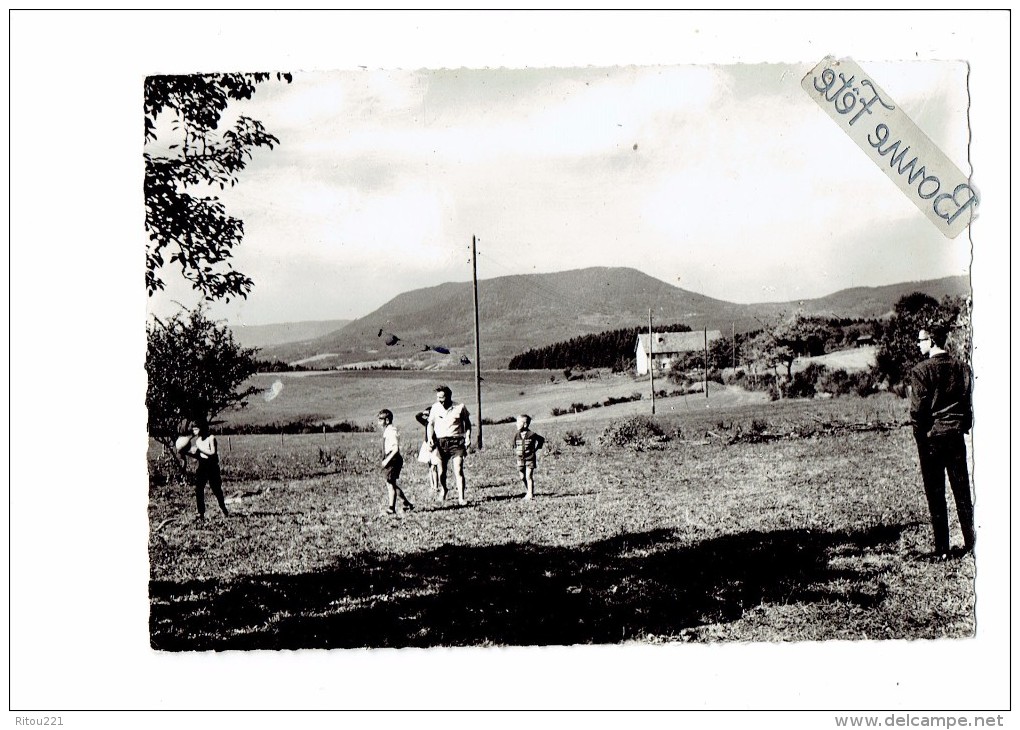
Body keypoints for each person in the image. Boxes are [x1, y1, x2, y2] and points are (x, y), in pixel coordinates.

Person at [909, 325, 975, 560]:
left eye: (921, 339)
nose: (918, 344)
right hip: (955, 437)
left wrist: (922, 436)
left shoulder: (921, 371)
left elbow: (917, 412)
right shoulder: (962, 368)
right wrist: (961, 426)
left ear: (932, 340)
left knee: (936, 494)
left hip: (932, 440)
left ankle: (943, 549)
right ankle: (971, 543)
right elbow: (968, 404)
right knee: (963, 492)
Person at [426, 385, 472, 505]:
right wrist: (430, 438)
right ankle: (444, 489)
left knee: (458, 469)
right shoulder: (435, 408)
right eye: (437, 397)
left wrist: (468, 437)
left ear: (449, 396)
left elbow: (467, 424)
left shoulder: (460, 407)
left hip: (457, 442)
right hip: (441, 443)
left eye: (441, 397)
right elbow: (430, 424)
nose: (439, 400)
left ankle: (461, 498)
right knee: (442, 472)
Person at [180, 419, 228, 520]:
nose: (194, 431)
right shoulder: (198, 441)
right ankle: (200, 513)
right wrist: (186, 452)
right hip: (202, 465)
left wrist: (199, 449)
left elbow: (212, 453)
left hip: (212, 466)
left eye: (196, 429)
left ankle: (223, 508)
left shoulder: (211, 438)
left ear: (202, 428)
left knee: (216, 489)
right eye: (193, 429)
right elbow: (199, 456)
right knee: (199, 489)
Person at [378, 409, 414, 516]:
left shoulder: (392, 431)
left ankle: (391, 508)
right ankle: (406, 503)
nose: (379, 422)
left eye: (381, 420)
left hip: (392, 459)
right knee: (391, 483)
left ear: (387, 420)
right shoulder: (387, 431)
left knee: (390, 484)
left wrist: (386, 461)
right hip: (389, 459)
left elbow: (395, 449)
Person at [512, 414, 545, 501]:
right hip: (520, 459)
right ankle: (528, 491)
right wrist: (517, 452)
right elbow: (514, 445)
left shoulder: (532, 434)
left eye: (518, 422)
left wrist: (537, 448)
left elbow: (541, 440)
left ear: (525, 424)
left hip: (530, 458)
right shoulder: (516, 435)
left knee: (528, 476)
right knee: (522, 477)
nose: (516, 424)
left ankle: (530, 494)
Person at [415, 404, 442, 494]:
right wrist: (424, 412)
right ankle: (432, 485)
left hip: (434, 446)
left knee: (434, 466)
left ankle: (436, 486)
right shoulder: (426, 423)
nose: (426, 417)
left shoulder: (437, 424)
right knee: (430, 467)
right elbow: (417, 416)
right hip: (427, 445)